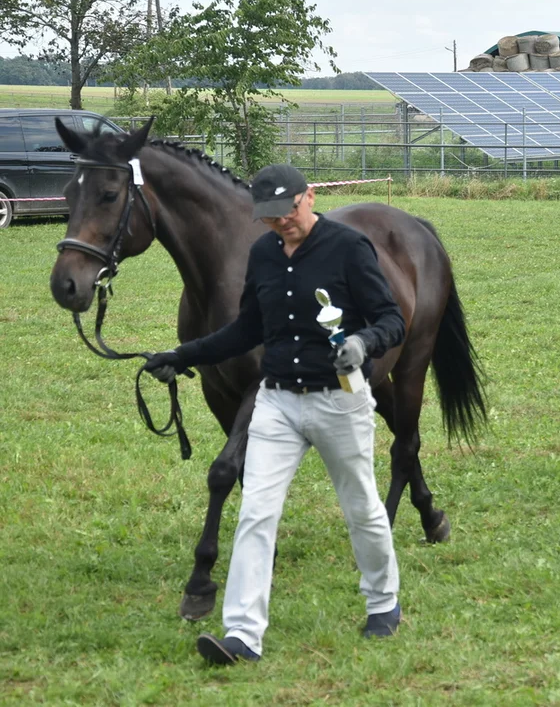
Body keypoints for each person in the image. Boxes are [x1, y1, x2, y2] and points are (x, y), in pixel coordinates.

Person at [144, 163, 406, 664]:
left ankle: (383, 602)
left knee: (361, 508)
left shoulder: (348, 248)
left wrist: (362, 341)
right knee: (256, 513)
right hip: (278, 402)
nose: (281, 223)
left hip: (339, 399)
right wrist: (182, 355)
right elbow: (246, 330)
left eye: (288, 211)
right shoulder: (262, 254)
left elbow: (390, 318)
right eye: (270, 217)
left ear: (309, 197)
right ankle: (242, 635)